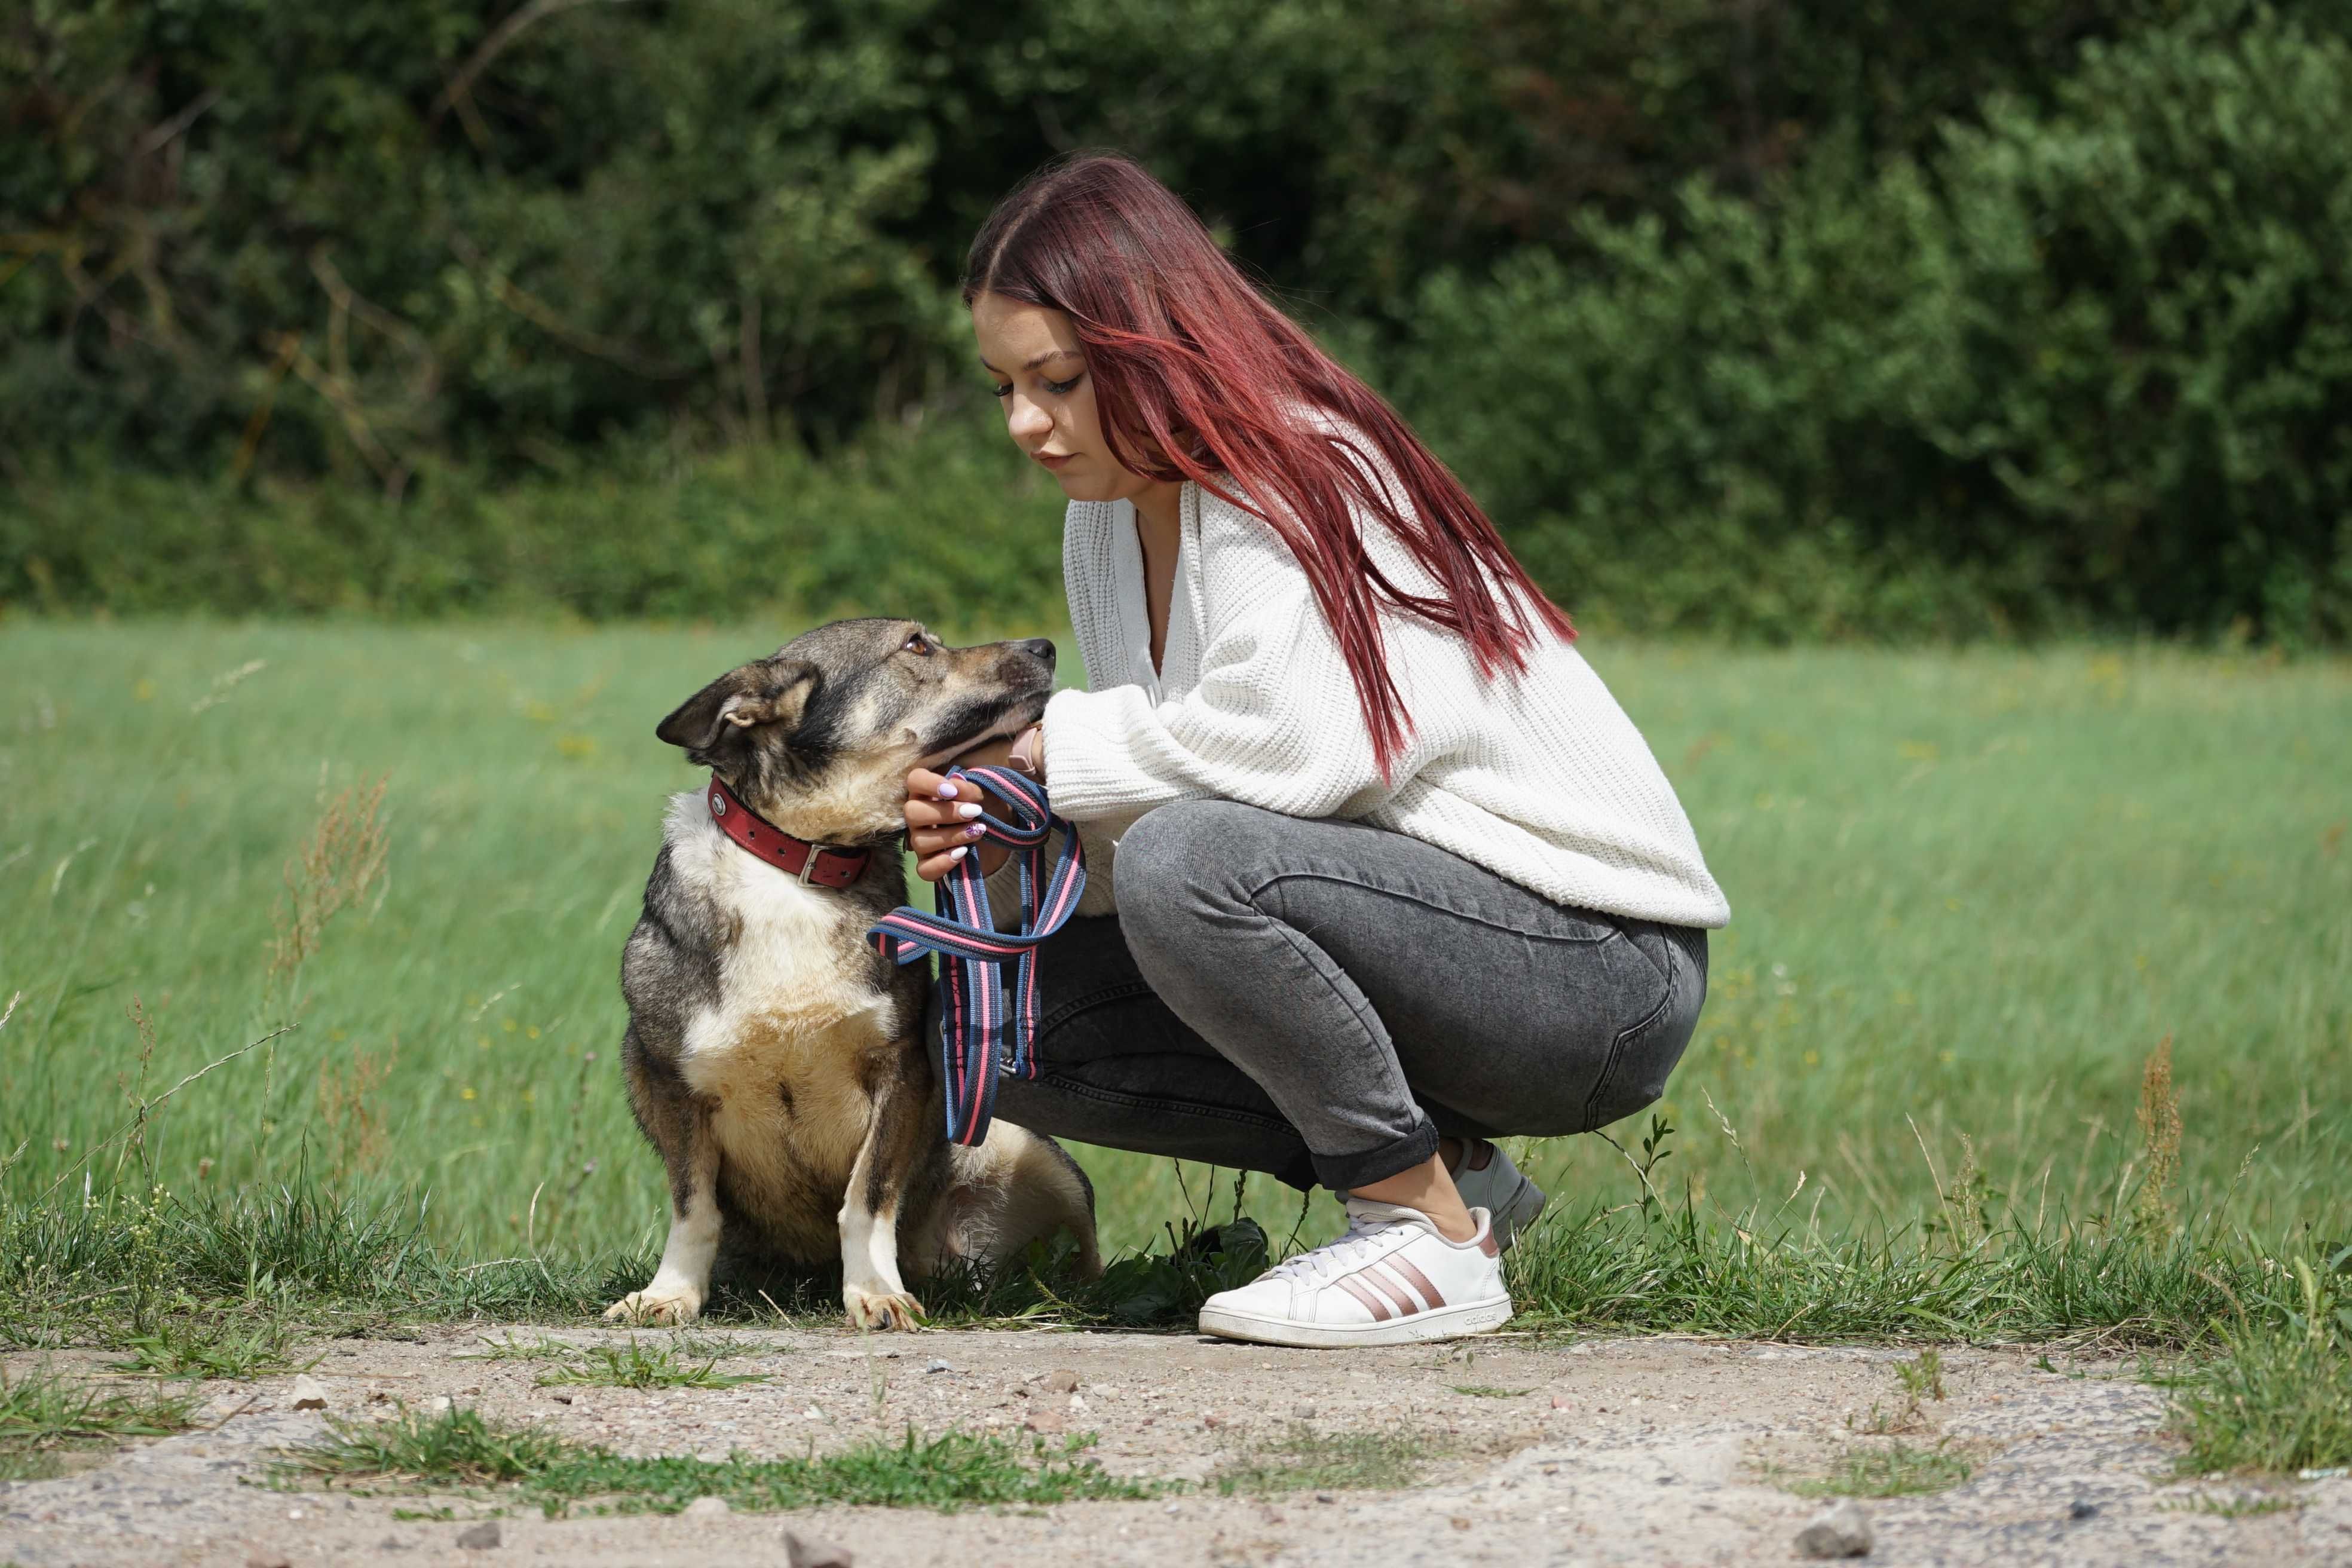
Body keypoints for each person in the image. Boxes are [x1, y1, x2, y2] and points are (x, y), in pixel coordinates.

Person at [901, 153, 1728, 1349]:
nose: (1028, 423)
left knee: (1194, 859)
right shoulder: (1108, 519)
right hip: (1416, 931)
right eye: (1003, 389)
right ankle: (1452, 1182)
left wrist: (1048, 751)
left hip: (1598, 970)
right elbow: (1176, 780)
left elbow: (1298, 757)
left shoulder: (1294, 465)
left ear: (1151, 347)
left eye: (1061, 380)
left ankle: (1419, 1237)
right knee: (991, 1020)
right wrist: (1004, 833)